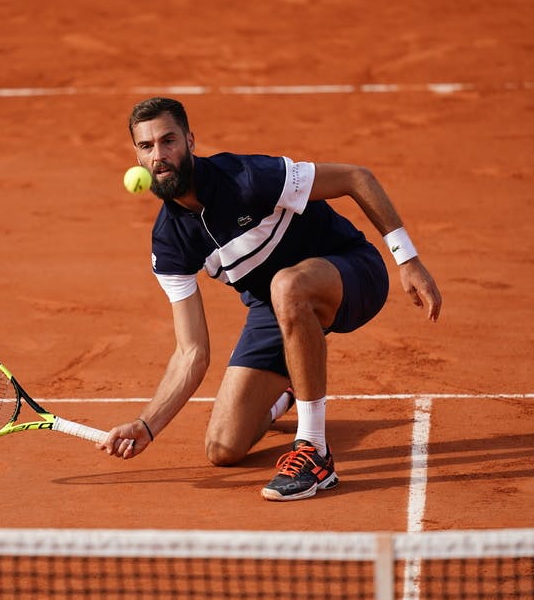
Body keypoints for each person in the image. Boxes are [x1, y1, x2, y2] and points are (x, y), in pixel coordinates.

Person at [98, 97, 442, 501]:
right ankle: (288, 394)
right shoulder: (170, 242)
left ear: (190, 140)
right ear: (137, 158)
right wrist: (147, 424)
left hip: (351, 272)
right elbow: (191, 353)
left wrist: (408, 259)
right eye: (146, 147)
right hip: (274, 309)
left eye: (168, 140)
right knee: (223, 447)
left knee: (286, 285)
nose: (159, 155)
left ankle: (315, 451)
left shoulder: (247, 177)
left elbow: (356, 177)